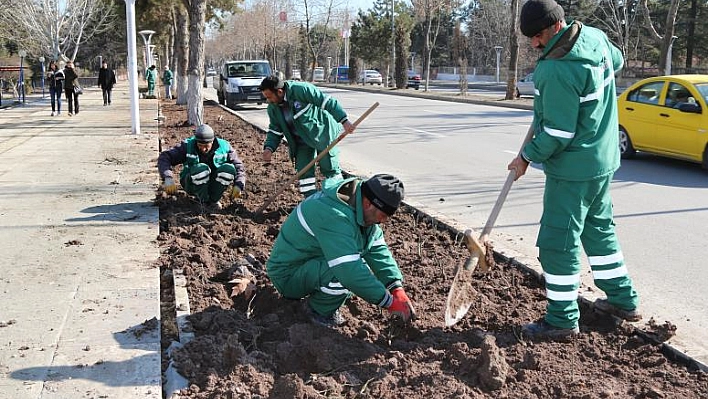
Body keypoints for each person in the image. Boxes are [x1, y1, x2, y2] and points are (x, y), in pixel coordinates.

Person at [507, 0, 641, 340]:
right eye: (530, 39)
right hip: (603, 159)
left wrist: (525, 156)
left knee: (557, 241)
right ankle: (623, 300)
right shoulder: (594, 37)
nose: (535, 45)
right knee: (598, 230)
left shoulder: (555, 69)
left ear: (555, 26)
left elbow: (558, 133)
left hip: (573, 169)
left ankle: (562, 319)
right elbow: (618, 60)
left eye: (537, 36)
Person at [266, 173, 416, 327]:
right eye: (383, 215)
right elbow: (348, 271)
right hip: (287, 274)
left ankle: (324, 300)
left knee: (355, 265)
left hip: (309, 263)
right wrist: (389, 303)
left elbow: (377, 249)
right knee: (343, 274)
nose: (383, 221)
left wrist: (396, 287)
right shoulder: (333, 214)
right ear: (367, 203)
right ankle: (317, 311)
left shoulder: (360, 208)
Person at [258, 74, 355, 197]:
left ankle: (338, 198)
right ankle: (310, 201)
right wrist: (269, 148)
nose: (268, 100)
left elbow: (327, 102)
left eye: (269, 97)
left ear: (280, 92)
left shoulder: (301, 90)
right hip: (300, 141)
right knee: (304, 173)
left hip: (322, 133)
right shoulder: (273, 108)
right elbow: (275, 130)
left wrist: (344, 121)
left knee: (329, 167)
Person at [157, 124, 246, 210]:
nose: (203, 149)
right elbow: (165, 157)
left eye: (206, 146)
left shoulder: (224, 147)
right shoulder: (188, 145)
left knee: (228, 169)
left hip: (214, 182)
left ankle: (213, 201)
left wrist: (238, 185)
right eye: (200, 145)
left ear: (212, 141)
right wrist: (168, 177)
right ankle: (202, 201)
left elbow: (238, 166)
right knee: (201, 169)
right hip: (191, 182)